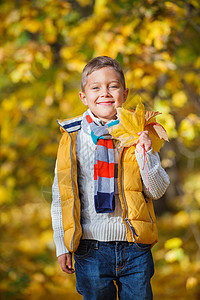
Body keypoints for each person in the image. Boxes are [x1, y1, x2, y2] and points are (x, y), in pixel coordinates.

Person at [51, 56, 170, 300]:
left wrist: (144, 153)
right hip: (90, 247)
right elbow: (61, 195)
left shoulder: (138, 132)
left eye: (112, 86)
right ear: (84, 96)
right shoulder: (73, 137)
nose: (104, 93)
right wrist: (62, 244)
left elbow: (156, 190)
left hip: (134, 244)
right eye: (95, 87)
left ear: (124, 93)